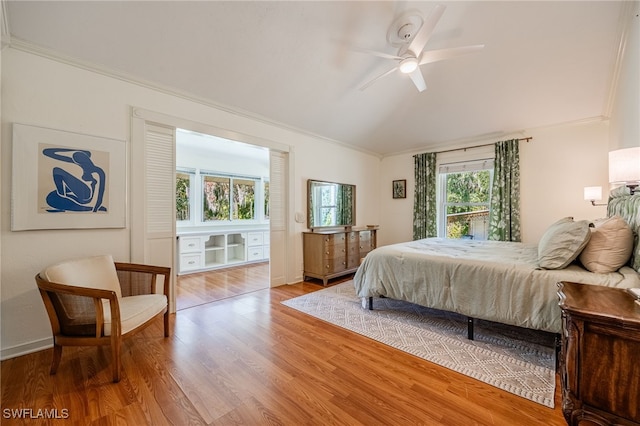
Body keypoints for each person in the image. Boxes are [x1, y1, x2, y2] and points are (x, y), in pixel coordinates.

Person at [42, 147, 107, 213]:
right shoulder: (82, 165)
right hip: (82, 193)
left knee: (57, 171)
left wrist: (95, 209)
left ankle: (63, 198)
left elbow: (100, 193)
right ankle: (62, 197)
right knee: (57, 172)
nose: (80, 165)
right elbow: (48, 153)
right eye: (78, 164)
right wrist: (73, 150)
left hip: (87, 197)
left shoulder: (97, 171)